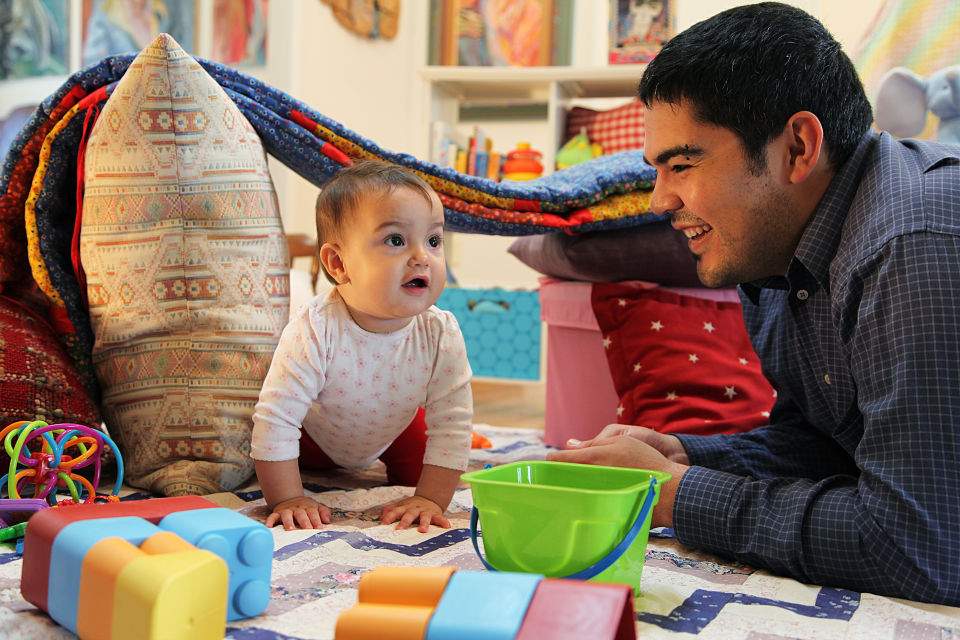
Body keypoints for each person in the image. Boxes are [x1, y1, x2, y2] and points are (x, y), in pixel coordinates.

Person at [548, 2, 960, 606]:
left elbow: (920, 548)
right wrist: (687, 455)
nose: (659, 201)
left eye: (683, 164)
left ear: (797, 147)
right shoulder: (773, 254)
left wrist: (678, 495)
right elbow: (823, 445)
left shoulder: (911, 245)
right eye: (656, 171)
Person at [251, 160, 473, 533]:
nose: (422, 256)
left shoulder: (441, 331)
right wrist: (287, 497)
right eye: (396, 240)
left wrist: (432, 499)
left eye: (434, 240)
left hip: (396, 429)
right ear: (338, 264)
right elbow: (278, 419)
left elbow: (452, 422)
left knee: (434, 465)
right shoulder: (315, 327)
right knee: (261, 449)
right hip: (314, 437)